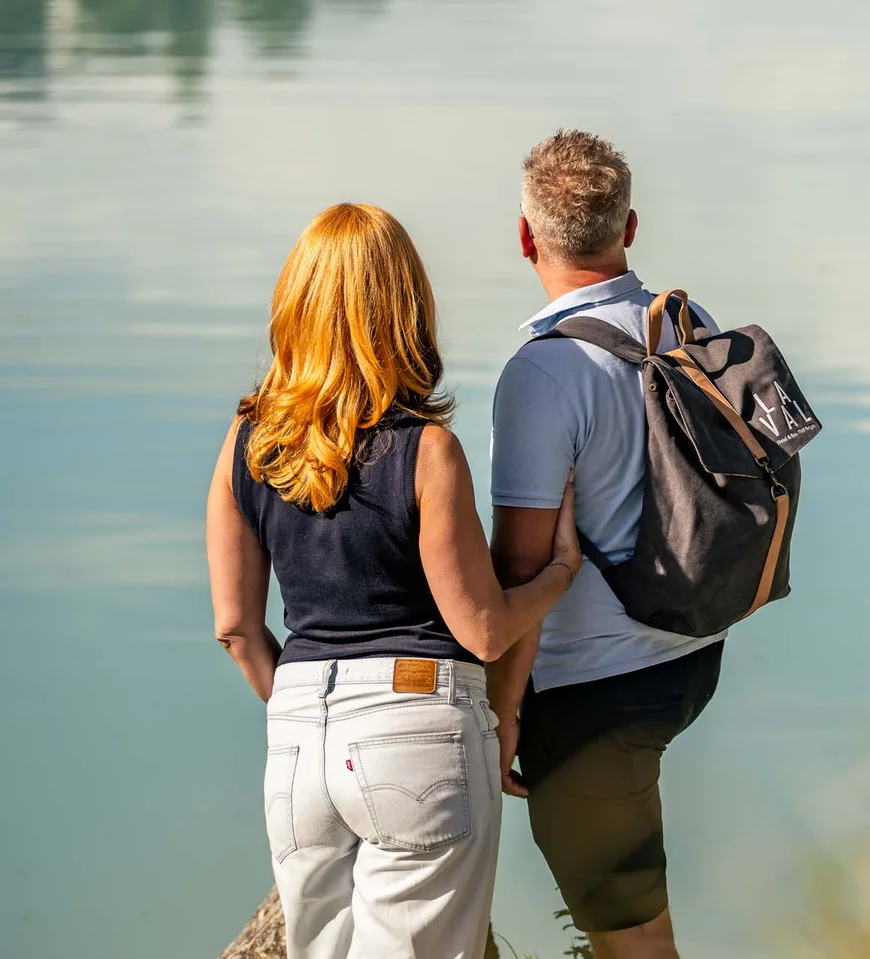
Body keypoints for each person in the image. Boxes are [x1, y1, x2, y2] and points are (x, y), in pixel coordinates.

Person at [205, 203, 583, 959]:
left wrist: (311, 705)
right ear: (405, 308)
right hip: (417, 729)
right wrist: (558, 574)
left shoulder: (247, 442)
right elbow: (481, 627)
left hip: (299, 741)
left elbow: (238, 630)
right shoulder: (426, 452)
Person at [488, 131, 727, 959]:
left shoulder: (543, 374)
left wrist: (499, 715)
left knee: (633, 942)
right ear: (630, 227)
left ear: (526, 238)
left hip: (591, 692)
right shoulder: (690, 328)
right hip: (693, 652)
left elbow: (520, 568)